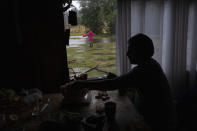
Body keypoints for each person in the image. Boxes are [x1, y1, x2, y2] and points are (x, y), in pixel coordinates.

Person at [64, 33, 175, 131]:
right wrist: (118, 79)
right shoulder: (151, 64)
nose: (127, 53)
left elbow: (112, 84)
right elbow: (129, 83)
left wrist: (80, 84)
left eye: (130, 49)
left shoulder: (143, 69)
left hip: (157, 123)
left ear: (139, 51)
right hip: (157, 117)